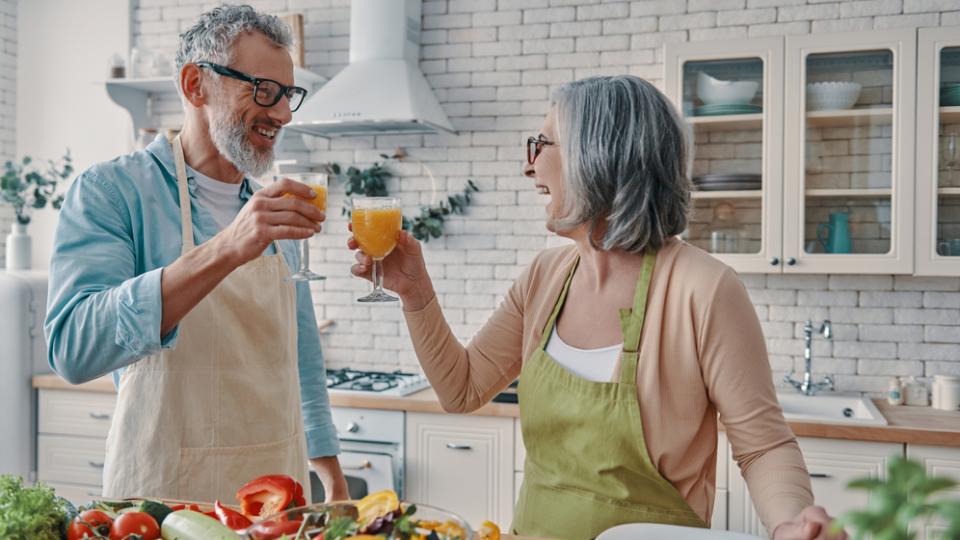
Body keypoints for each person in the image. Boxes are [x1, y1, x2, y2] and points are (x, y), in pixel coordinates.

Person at [349, 76, 845, 540]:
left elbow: (763, 445)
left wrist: (789, 525)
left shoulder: (704, 289)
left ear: (598, 157)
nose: (529, 165)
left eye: (541, 145)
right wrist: (415, 294)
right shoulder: (545, 278)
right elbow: (462, 390)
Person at [45, 5, 348, 503]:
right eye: (263, 90)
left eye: (288, 95)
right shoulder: (112, 192)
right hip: (163, 501)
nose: (282, 114)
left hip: (277, 496)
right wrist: (228, 247)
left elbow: (302, 358)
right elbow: (72, 350)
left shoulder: (272, 210)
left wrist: (332, 476)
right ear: (194, 85)